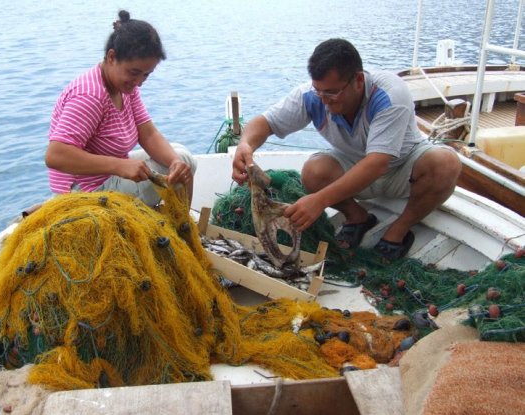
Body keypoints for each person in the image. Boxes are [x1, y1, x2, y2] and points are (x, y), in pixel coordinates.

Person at [232, 38, 461, 260]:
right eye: (318, 91)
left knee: (446, 163)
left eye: (332, 93)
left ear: (358, 80)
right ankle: (357, 217)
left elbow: (378, 163)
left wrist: (319, 201)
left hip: (403, 168)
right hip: (355, 167)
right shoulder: (314, 96)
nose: (324, 100)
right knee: (314, 170)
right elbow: (265, 123)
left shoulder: (389, 94)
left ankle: (399, 229)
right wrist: (245, 145)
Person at [45, 10, 196, 207]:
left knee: (180, 158)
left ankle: (180, 226)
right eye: (134, 73)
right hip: (83, 191)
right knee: (181, 159)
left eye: (146, 75)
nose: (139, 82)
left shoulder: (124, 86)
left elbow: (148, 134)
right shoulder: (90, 95)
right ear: (111, 57)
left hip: (108, 175)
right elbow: (55, 155)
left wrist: (174, 162)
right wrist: (119, 165)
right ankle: (181, 229)